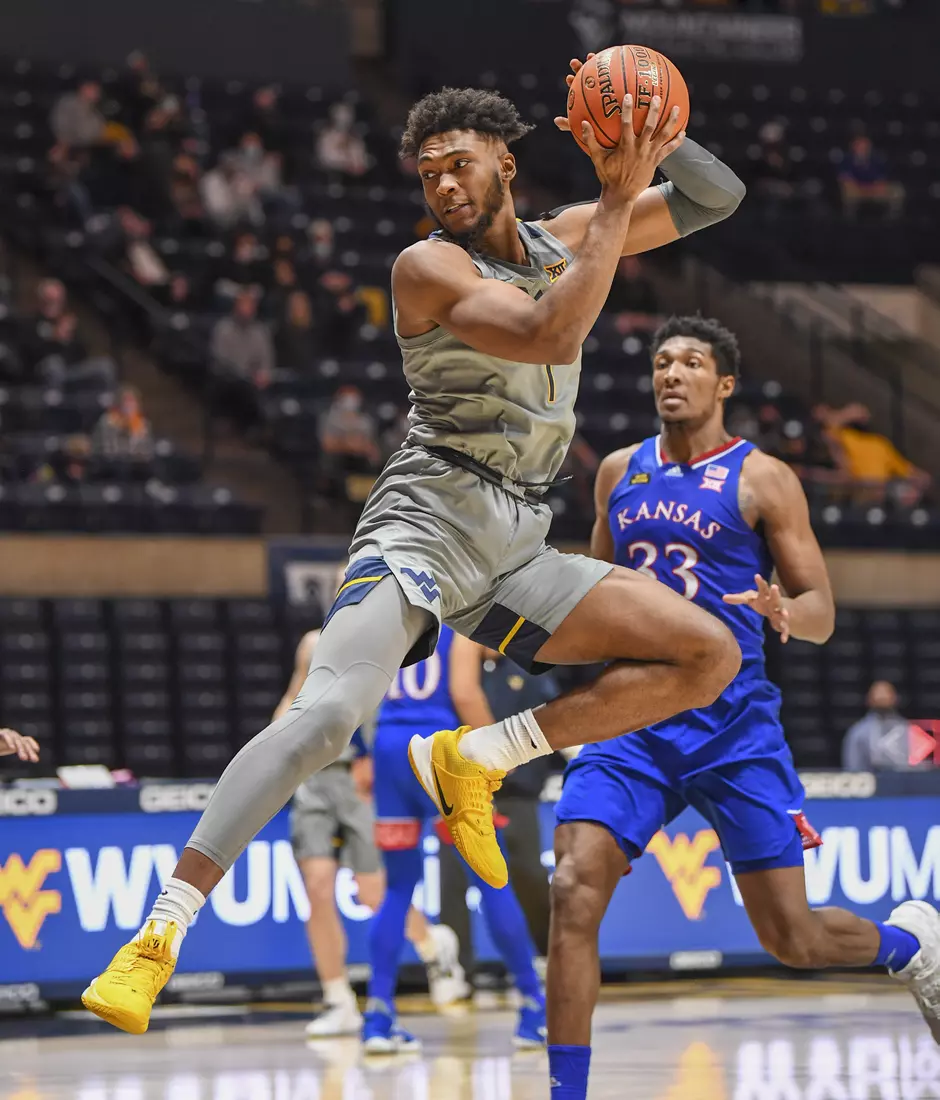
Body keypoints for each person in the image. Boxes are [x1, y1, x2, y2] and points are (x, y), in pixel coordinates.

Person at [84, 69, 751, 1034]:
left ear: (507, 164)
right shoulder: (424, 268)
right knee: (327, 717)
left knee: (709, 654)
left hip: (522, 535)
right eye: (428, 173)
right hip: (428, 517)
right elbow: (546, 328)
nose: (441, 187)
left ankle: (479, 758)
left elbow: (715, 196)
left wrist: (656, 132)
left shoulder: (566, 234)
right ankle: (158, 933)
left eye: (459, 166)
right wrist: (615, 193)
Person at [546, 315, 940, 1100]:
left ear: (723, 384)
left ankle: (911, 945)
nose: (672, 374)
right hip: (631, 721)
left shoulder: (763, 479)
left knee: (793, 940)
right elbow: (596, 591)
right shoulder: (618, 471)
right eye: (662, 362)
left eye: (690, 363)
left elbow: (823, 606)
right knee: (572, 888)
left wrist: (786, 612)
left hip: (732, 727)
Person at [364, 625, 545, 1053]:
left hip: (391, 750)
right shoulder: (455, 621)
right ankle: (533, 1007)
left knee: (397, 889)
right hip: (443, 752)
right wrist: (502, 749)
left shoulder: (386, 621)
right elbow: (464, 691)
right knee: (490, 879)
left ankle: (377, 1017)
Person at [279, 630, 459, 1038]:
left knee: (375, 890)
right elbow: (292, 698)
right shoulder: (311, 643)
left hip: (360, 776)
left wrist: (376, 759)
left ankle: (432, 943)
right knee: (318, 886)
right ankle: (338, 999)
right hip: (313, 778)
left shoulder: (383, 638)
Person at [842, 680, 919, 772]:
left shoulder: (909, 730)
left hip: (904, 783)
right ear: (869, 699)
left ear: (895, 698)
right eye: (878, 693)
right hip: (872, 783)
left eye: (886, 693)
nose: (882, 697)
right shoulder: (858, 732)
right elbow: (853, 768)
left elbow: (919, 768)